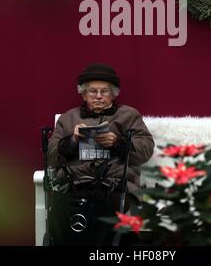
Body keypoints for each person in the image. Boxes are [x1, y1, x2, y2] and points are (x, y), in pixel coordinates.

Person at [47, 63, 155, 246]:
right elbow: (51, 156)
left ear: (114, 93)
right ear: (83, 93)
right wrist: (73, 140)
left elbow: (145, 149)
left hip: (115, 186)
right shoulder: (68, 119)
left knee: (99, 209)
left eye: (104, 91)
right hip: (75, 184)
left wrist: (118, 142)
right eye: (92, 91)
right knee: (60, 209)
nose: (98, 96)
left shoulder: (129, 115)